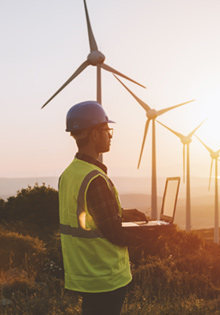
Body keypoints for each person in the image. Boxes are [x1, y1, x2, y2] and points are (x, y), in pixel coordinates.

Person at [59, 100, 149, 315]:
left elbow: (87, 215)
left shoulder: (69, 174)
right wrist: (153, 235)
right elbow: (115, 233)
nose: (110, 135)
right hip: (106, 276)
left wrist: (122, 212)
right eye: (107, 130)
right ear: (95, 134)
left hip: (84, 273)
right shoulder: (95, 179)